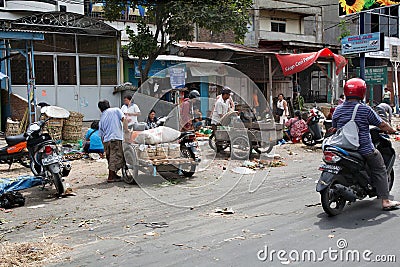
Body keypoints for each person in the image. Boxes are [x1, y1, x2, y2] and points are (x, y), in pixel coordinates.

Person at [332, 78, 400, 210]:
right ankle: (385, 201)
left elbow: (335, 126)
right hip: (363, 148)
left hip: (341, 147)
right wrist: (392, 130)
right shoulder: (365, 109)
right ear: (362, 92)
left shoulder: (338, 109)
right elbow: (381, 124)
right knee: (379, 167)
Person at [98, 100, 125, 183]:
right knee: (115, 157)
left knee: (110, 158)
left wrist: (104, 146)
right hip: (115, 138)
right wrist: (127, 131)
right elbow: (124, 119)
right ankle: (111, 177)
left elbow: (101, 134)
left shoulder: (102, 118)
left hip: (106, 140)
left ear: (100, 109)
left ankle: (114, 175)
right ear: (109, 105)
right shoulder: (116, 110)